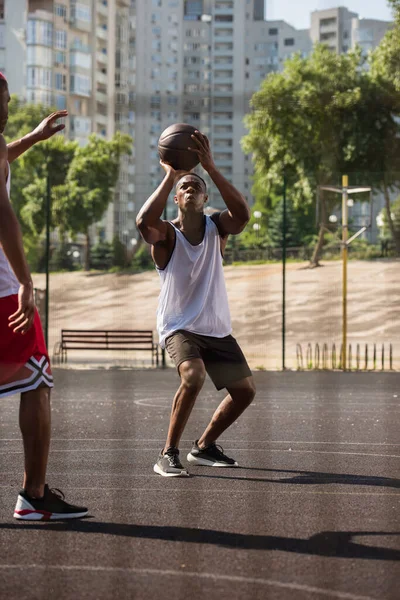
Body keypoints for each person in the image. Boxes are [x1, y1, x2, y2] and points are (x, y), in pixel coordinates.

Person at [136, 129, 256, 477]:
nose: (190, 189)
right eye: (183, 188)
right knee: (193, 375)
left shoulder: (217, 227)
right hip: (180, 326)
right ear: (176, 199)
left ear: (206, 198)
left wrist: (210, 168)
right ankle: (167, 454)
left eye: (196, 187)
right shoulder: (167, 236)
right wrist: (171, 175)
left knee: (244, 392)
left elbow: (243, 216)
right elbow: (144, 222)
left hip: (215, 327)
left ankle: (203, 447)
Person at [0, 73, 88, 519]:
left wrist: (32, 138)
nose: (8, 109)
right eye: (3, 101)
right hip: (2, 293)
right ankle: (33, 496)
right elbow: (3, 211)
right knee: (37, 381)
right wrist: (25, 281)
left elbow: (2, 157)